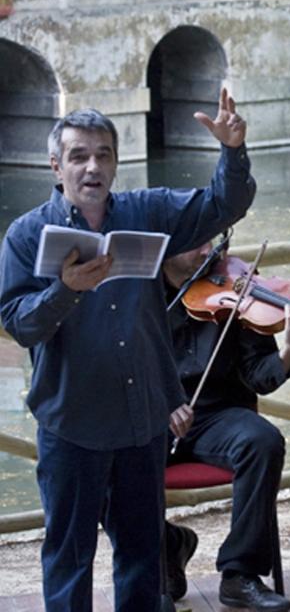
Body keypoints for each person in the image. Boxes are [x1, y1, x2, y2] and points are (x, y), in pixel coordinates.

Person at [0, 88, 255, 611]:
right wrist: (66, 289)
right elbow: (19, 326)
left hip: (141, 424)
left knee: (142, 557)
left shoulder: (147, 210)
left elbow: (223, 205)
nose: (92, 167)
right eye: (78, 156)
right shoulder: (26, 236)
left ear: (116, 162)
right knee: (70, 559)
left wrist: (231, 152)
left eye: (103, 155)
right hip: (71, 423)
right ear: (56, 166)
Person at [162, 241, 290, 612]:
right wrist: (163, 404)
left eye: (213, 241)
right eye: (196, 242)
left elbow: (258, 375)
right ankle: (165, 548)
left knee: (263, 441)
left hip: (220, 415)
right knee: (102, 461)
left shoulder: (236, 287)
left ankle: (240, 575)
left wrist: (289, 349)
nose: (208, 251)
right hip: (157, 416)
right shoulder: (138, 294)